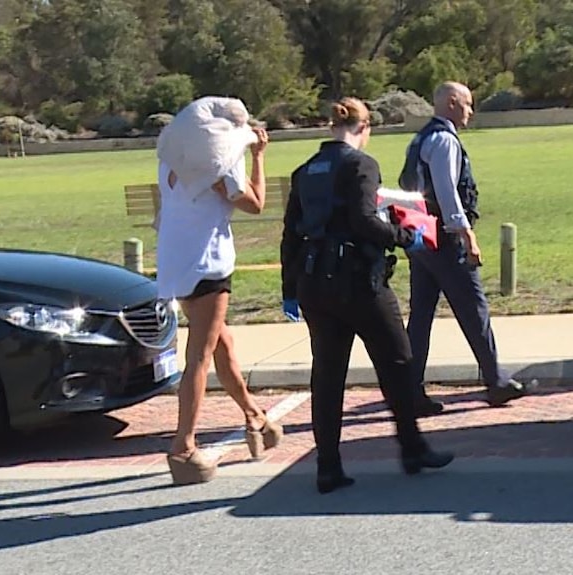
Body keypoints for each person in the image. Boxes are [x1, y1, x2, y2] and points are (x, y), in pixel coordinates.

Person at [280, 97, 454, 494]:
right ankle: (412, 449)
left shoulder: (304, 171)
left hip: (313, 281)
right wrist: (403, 236)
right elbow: (362, 220)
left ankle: (328, 466)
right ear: (365, 128)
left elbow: (291, 234)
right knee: (398, 359)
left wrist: (290, 290)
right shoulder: (360, 164)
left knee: (327, 375)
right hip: (358, 280)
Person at [157, 121, 283, 485]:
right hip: (208, 263)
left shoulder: (171, 160)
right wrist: (258, 157)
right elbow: (255, 203)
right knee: (199, 355)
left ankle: (254, 416)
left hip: (178, 262)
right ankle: (183, 446)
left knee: (220, 343)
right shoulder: (216, 163)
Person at [399, 81, 534, 416]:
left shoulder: (420, 139)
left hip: (422, 239)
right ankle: (496, 381)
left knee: (420, 318)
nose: (471, 111)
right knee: (475, 310)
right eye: (468, 104)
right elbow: (447, 193)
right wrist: (467, 235)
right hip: (446, 240)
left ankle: (410, 391)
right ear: (452, 103)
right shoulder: (444, 140)